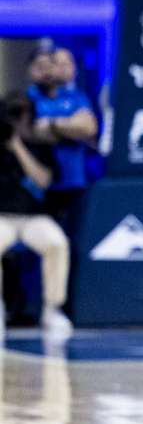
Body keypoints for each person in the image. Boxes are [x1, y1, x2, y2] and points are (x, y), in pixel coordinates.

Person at [0, 92, 73, 337]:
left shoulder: (40, 145)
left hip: (34, 217)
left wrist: (18, 147)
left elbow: (43, 180)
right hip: (3, 216)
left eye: (23, 114)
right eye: (13, 114)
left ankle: (53, 309)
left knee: (57, 243)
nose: (18, 120)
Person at [26, 44, 98, 231]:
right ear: (30, 70)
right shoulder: (28, 99)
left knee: (75, 241)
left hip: (74, 182)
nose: (47, 72)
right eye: (40, 67)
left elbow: (88, 128)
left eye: (50, 65)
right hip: (39, 187)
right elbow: (35, 133)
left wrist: (52, 124)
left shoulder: (74, 96)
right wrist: (70, 126)